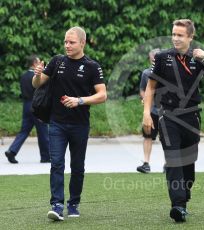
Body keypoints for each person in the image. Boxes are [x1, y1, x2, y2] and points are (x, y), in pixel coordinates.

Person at [142, 19, 204, 222]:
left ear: (190, 37)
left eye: (180, 35)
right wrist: (147, 113)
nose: (175, 38)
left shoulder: (198, 58)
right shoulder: (162, 57)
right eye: (173, 34)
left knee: (188, 163)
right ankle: (178, 206)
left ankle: (184, 197)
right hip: (168, 116)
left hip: (192, 117)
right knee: (173, 160)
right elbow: (151, 87)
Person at [33, 26, 107, 221]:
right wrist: (38, 74)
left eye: (71, 42)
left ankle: (73, 203)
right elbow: (37, 84)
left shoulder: (92, 66)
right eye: (65, 41)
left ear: (82, 43)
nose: (67, 45)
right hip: (56, 123)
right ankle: (56, 205)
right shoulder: (57, 61)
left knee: (77, 167)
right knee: (56, 164)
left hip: (80, 125)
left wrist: (79, 100)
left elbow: (102, 95)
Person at [4, 55, 50, 164]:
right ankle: (45, 157)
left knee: (24, 131)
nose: (40, 64)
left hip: (26, 105)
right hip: (37, 106)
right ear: (34, 63)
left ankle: (12, 151)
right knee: (43, 131)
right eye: (39, 62)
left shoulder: (24, 76)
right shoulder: (37, 76)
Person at [137, 48, 161, 173]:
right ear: (150, 59)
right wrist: (144, 99)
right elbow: (142, 90)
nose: (154, 61)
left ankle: (169, 165)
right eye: (152, 59)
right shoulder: (146, 73)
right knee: (147, 136)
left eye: (156, 59)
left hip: (166, 111)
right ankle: (146, 164)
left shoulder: (168, 73)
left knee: (167, 138)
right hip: (151, 112)